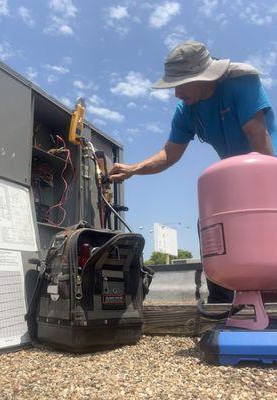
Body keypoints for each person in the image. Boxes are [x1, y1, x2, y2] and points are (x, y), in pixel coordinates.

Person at [108, 40, 277, 303]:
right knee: (211, 224)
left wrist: (267, 197)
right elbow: (169, 155)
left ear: (204, 77)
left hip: (267, 172)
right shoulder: (186, 111)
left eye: (181, 83)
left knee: (264, 225)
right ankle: (220, 304)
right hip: (234, 179)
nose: (176, 93)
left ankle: (270, 299)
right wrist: (133, 169)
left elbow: (258, 137)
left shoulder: (240, 83)